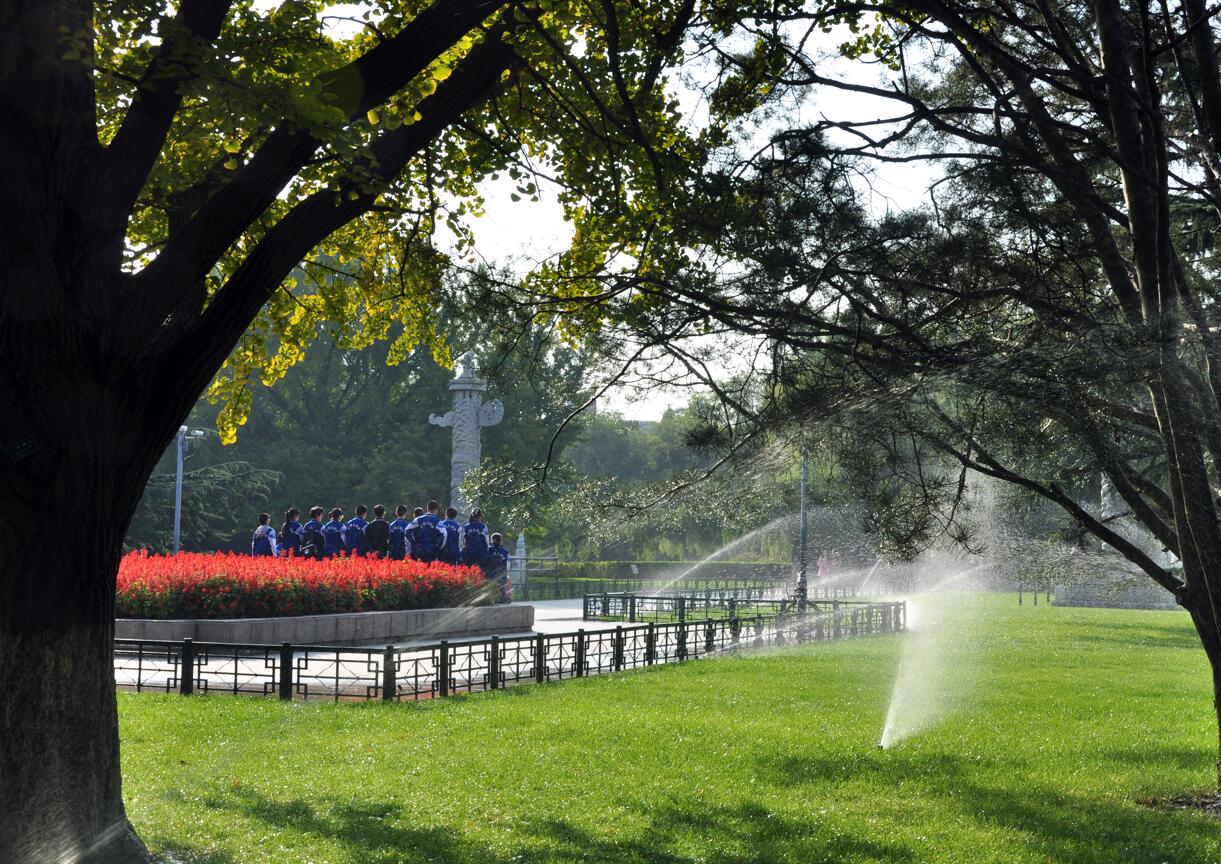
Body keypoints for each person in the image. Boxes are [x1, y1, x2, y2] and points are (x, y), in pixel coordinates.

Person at [485, 532, 512, 602]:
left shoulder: (487, 550)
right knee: (501, 588)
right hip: (501, 574)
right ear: (501, 541)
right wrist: (506, 573)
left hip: (490, 574)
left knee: (489, 588)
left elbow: (484, 561)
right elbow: (508, 564)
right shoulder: (506, 552)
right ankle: (502, 598)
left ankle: (490, 599)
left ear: (491, 540)